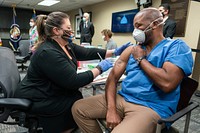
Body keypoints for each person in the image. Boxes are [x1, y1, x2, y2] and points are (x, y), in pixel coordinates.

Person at [72, 7, 193, 133]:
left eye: (139, 25)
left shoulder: (176, 47)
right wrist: (111, 110)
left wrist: (141, 59)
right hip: (123, 98)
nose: (135, 31)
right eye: (134, 27)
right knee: (79, 109)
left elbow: (167, 84)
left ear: (155, 24)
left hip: (150, 107)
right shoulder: (132, 49)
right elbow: (112, 78)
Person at [14, 12, 131, 133]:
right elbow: (74, 81)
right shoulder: (48, 52)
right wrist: (99, 68)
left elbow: (87, 52)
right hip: (38, 96)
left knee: (75, 96)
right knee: (71, 101)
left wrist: (114, 51)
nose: (72, 31)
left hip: (50, 89)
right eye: (68, 28)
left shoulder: (66, 45)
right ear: (56, 31)